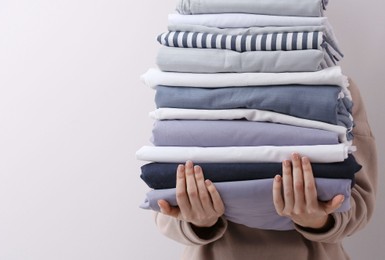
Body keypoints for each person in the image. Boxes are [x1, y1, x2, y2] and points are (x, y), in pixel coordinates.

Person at [154, 79, 378, 260]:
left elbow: (360, 201)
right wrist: (198, 222)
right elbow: (164, 199)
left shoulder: (335, 89)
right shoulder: (185, 84)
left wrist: (319, 221)